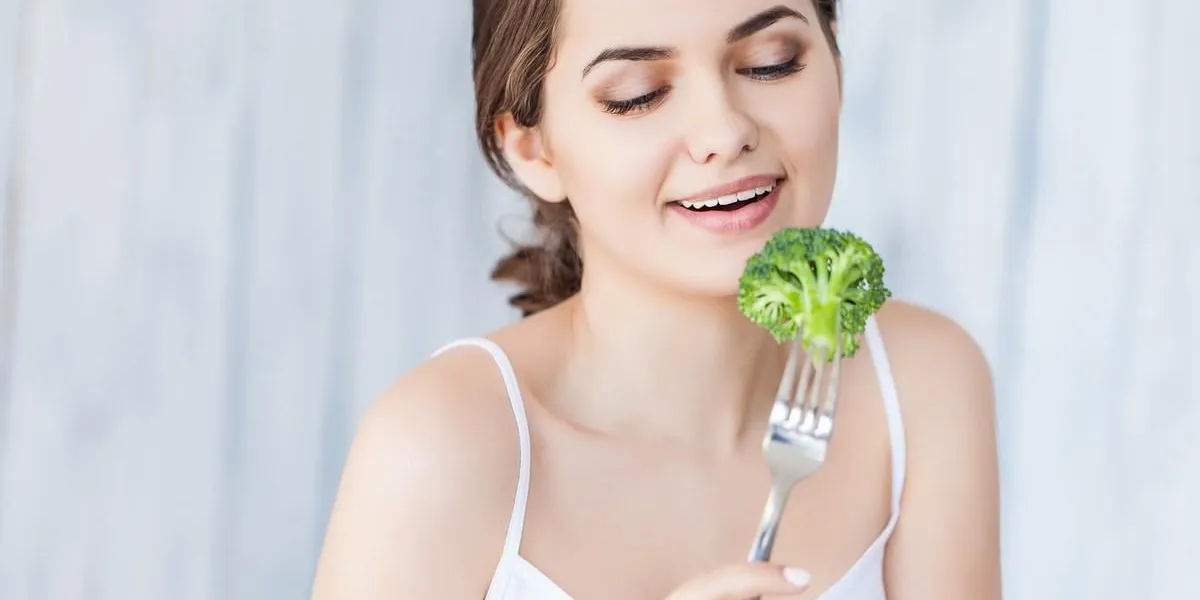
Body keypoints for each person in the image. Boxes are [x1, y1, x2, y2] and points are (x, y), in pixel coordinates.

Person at [310, 0, 1001, 598]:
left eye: (770, 62)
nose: (724, 131)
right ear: (533, 149)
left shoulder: (921, 382)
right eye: (638, 94)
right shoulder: (440, 448)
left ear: (837, 68)